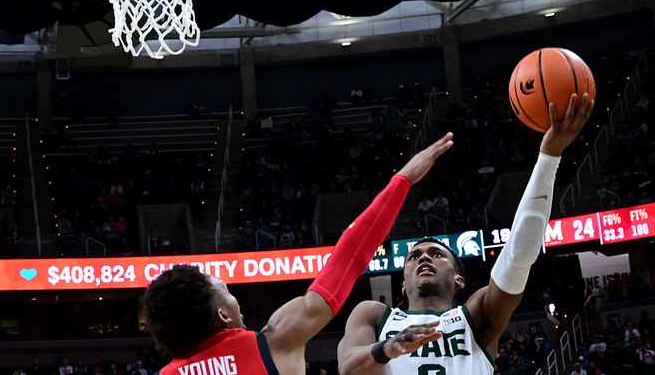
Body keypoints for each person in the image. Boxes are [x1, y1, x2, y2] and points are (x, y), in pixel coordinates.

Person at [143, 133, 456, 374]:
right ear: (222, 315)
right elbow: (349, 256)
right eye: (227, 292)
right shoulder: (274, 341)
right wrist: (402, 180)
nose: (234, 298)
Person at [337, 93, 593, 375]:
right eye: (413, 257)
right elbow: (349, 369)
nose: (424, 258)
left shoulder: (476, 314)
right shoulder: (374, 315)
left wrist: (549, 157)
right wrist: (389, 346)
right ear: (402, 284)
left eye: (437, 254)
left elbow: (518, 256)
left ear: (459, 279)